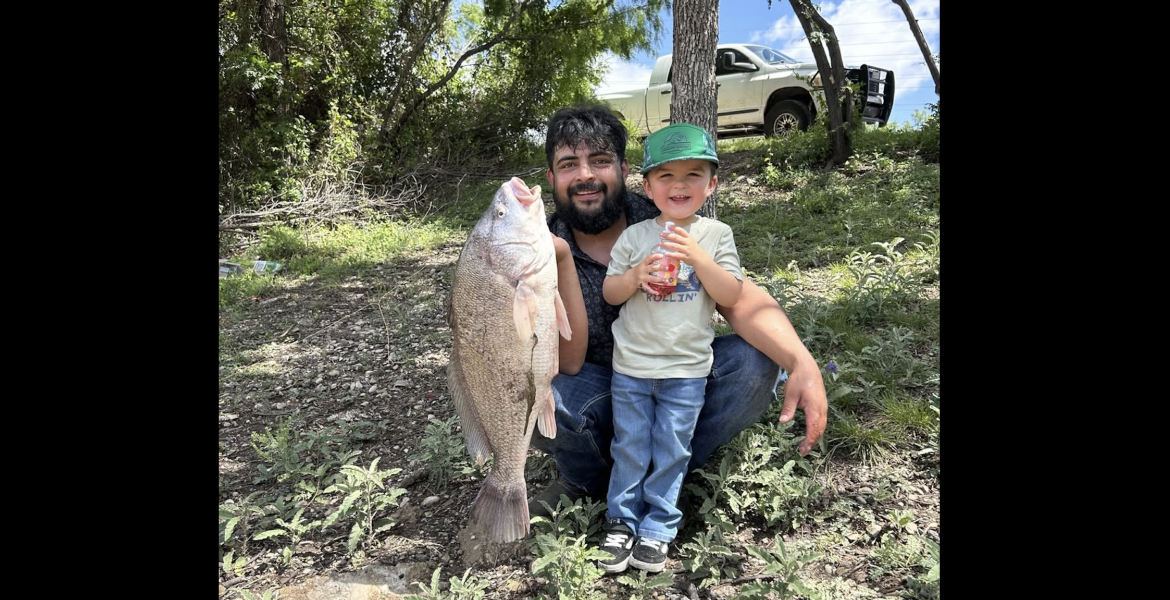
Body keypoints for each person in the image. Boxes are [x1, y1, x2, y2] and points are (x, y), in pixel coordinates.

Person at [531, 104, 827, 539]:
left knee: (755, 362)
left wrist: (801, 361)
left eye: (599, 160)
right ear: (552, 178)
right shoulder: (536, 244)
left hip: (677, 374)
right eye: (568, 164)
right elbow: (562, 359)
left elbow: (740, 298)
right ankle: (588, 481)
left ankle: (667, 473)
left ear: (626, 170)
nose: (584, 176)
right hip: (600, 384)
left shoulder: (663, 215)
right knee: (545, 392)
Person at [594, 122, 743, 573]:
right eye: (666, 176)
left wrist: (697, 257)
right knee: (631, 446)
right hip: (632, 366)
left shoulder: (716, 235)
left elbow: (731, 295)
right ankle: (621, 521)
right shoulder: (636, 236)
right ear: (648, 186)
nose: (679, 185)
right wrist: (637, 275)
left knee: (672, 446)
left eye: (693, 175)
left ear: (711, 184)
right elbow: (610, 294)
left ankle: (659, 526)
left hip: (687, 369)